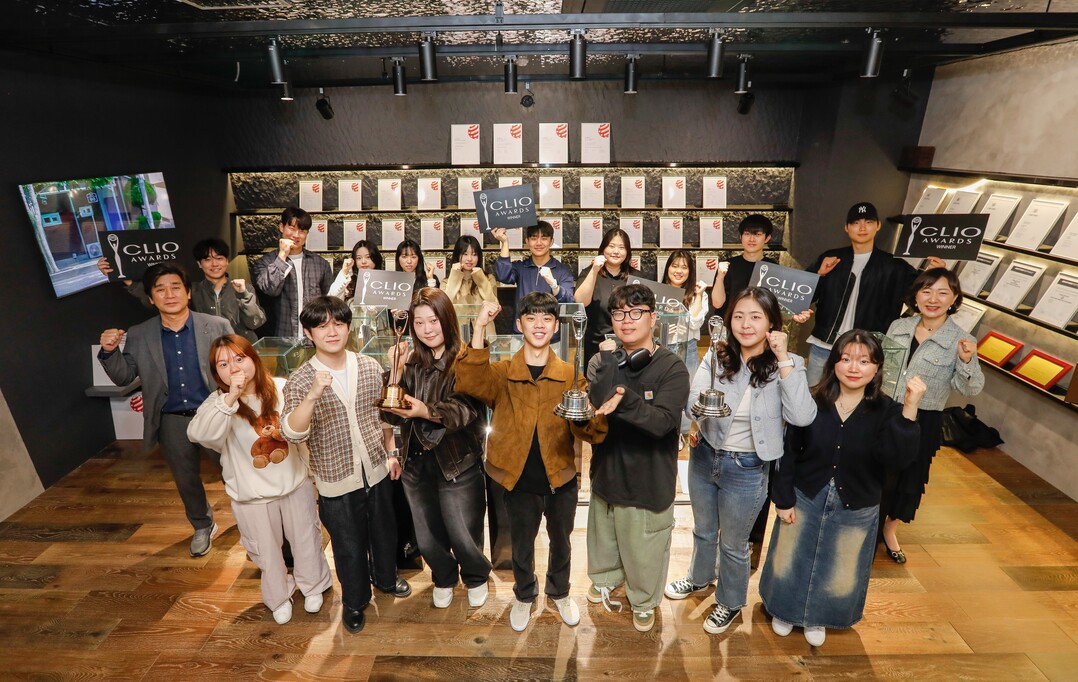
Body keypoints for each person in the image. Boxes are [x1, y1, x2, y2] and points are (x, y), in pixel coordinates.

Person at [664, 287, 816, 636]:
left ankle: (730, 602)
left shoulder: (789, 364)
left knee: (733, 544)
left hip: (747, 468)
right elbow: (692, 403)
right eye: (739, 316)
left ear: (772, 323)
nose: (746, 325)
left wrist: (783, 357)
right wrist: (698, 412)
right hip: (705, 456)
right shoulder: (718, 355)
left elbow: (802, 416)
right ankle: (699, 577)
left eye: (756, 317)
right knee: (703, 530)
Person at [760, 330, 926, 647]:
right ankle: (784, 610)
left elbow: (897, 460)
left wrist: (910, 409)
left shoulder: (887, 410)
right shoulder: (812, 400)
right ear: (833, 362)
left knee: (841, 567)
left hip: (858, 501)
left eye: (864, 361)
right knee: (789, 557)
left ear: (876, 368)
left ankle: (818, 616)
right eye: (846, 358)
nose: (853, 367)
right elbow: (788, 452)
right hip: (807, 494)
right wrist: (783, 498)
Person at [455, 293, 608, 632]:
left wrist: (590, 414)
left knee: (562, 542)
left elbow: (589, 431)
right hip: (518, 478)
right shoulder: (504, 372)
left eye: (547, 319)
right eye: (531, 318)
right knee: (521, 545)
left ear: (556, 327)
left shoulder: (569, 374)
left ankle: (560, 592)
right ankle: (524, 594)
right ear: (519, 323)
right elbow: (472, 381)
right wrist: (479, 327)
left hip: (560, 476)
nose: (539, 325)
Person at [280, 296, 411, 635]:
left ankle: (386, 577)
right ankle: (355, 600)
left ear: (349, 327)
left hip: (377, 468)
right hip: (335, 478)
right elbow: (292, 432)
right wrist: (313, 395)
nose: (332, 331)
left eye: (338, 323)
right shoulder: (301, 379)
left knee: (385, 532)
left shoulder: (368, 366)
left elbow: (383, 415)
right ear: (309, 333)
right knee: (348, 545)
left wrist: (392, 452)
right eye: (322, 326)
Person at [187, 334, 332, 624]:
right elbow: (199, 435)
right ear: (216, 373)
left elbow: (303, 427)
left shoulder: (280, 387)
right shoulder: (219, 404)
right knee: (265, 550)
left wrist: (314, 473)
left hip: (294, 483)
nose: (234, 368)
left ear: (253, 359)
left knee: (306, 538)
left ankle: (313, 585)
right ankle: (278, 595)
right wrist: (230, 397)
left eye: (239, 358)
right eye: (223, 364)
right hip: (252, 495)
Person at [98, 263, 233, 556]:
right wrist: (109, 352)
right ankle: (202, 525)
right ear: (150, 298)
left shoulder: (217, 326)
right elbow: (124, 376)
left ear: (188, 292)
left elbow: (237, 368)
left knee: (234, 471)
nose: (169, 295)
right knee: (186, 479)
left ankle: (249, 519)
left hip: (215, 413)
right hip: (172, 420)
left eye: (175, 287)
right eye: (160, 289)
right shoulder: (139, 333)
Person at [584, 284, 690, 633]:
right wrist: (608, 365)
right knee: (604, 534)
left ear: (653, 318)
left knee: (644, 545)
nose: (626, 320)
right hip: (607, 467)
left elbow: (662, 423)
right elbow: (597, 405)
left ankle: (644, 600)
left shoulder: (672, 367)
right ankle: (606, 578)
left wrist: (626, 399)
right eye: (618, 313)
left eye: (636, 312)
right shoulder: (602, 360)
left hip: (648, 476)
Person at [381, 288, 492, 610]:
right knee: (427, 535)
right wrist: (396, 371)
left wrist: (425, 411)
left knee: (464, 531)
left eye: (433, 320)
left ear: (447, 319)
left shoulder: (466, 360)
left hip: (457, 462)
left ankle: (475, 576)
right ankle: (443, 577)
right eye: (419, 323)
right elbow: (390, 414)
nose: (427, 329)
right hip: (416, 462)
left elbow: (465, 410)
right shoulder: (411, 361)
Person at [881, 267, 984, 563]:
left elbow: (971, 388)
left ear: (954, 299)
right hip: (886, 410)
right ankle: (867, 523)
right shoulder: (898, 327)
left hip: (923, 418)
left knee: (910, 477)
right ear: (916, 295)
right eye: (926, 291)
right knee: (877, 471)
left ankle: (889, 529)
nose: (933, 299)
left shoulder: (961, 340)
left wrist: (966, 361)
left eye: (942, 293)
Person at [803, 202, 945, 386]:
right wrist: (819, 275)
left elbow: (919, 299)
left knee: (858, 401)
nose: (862, 228)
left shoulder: (895, 267)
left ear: (877, 225)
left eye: (868, 222)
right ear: (846, 228)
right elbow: (804, 296)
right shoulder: (831, 258)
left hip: (867, 352)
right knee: (812, 396)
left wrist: (934, 275)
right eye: (856, 223)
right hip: (824, 346)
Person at [98, 238, 267, 342]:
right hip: (208, 354)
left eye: (219, 258)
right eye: (207, 260)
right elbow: (160, 300)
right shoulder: (192, 290)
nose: (215, 264)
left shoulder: (244, 287)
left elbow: (256, 322)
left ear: (227, 261)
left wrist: (243, 294)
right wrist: (122, 275)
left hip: (244, 350)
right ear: (199, 264)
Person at [251, 207, 334, 338]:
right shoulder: (265, 263)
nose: (296, 235)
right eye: (292, 228)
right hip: (281, 339)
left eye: (302, 231)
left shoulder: (320, 264)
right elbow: (270, 289)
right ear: (281, 227)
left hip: (315, 338)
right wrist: (282, 256)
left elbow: (329, 301)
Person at [574, 228, 640, 364]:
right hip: (596, 348)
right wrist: (594, 270)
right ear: (603, 248)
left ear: (627, 252)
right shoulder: (589, 273)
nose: (616, 251)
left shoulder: (637, 277)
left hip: (630, 346)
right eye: (611, 246)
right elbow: (580, 301)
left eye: (621, 247)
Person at [492, 221, 575, 327]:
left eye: (544, 238)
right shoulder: (521, 267)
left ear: (551, 241)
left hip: (550, 333)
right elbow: (503, 275)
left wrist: (554, 284)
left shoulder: (562, 270)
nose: (539, 243)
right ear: (527, 241)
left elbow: (569, 301)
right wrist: (504, 243)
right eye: (534, 238)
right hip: (522, 332)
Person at [710, 214, 779, 318]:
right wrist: (720, 277)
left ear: (767, 238)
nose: (751, 239)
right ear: (740, 237)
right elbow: (717, 304)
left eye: (757, 234)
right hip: (730, 323)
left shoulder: (773, 268)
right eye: (747, 234)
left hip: (760, 324)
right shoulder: (728, 266)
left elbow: (778, 306)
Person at [661, 249, 708, 382]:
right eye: (675, 266)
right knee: (663, 388)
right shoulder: (657, 292)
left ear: (690, 271)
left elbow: (694, 323)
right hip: (662, 348)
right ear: (668, 268)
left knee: (689, 388)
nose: (679, 271)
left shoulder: (699, 294)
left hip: (688, 349)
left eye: (684, 267)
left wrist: (698, 296)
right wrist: (661, 331)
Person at [442, 235, 499, 342]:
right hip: (458, 339)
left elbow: (494, 306)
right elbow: (444, 308)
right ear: (457, 255)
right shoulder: (446, 282)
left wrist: (481, 280)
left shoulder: (488, 279)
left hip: (485, 338)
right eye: (465, 254)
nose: (469, 259)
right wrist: (454, 277)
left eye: (474, 254)